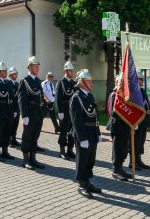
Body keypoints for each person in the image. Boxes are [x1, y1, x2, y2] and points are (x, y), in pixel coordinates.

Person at [69, 69, 102, 199]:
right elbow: (76, 120)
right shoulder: (76, 98)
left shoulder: (89, 96)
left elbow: (95, 117)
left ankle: (87, 182)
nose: (91, 83)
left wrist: (98, 132)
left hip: (92, 132)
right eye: (89, 80)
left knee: (90, 159)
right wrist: (82, 138)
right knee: (82, 160)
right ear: (81, 82)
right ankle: (81, 184)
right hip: (83, 134)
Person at [18, 56, 46, 170]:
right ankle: (25, 159)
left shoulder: (38, 81)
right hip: (29, 113)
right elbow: (22, 99)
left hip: (38, 113)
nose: (37, 68)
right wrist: (24, 115)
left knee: (35, 136)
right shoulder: (24, 81)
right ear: (30, 67)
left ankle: (33, 158)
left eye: (38, 66)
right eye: (35, 66)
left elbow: (41, 97)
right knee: (27, 136)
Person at [107, 75, 132, 181]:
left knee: (124, 149)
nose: (122, 86)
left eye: (123, 84)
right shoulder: (114, 95)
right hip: (117, 126)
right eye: (120, 84)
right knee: (117, 150)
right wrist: (124, 115)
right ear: (117, 84)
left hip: (125, 126)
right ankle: (116, 171)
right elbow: (112, 112)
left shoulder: (126, 96)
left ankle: (121, 168)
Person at [0, 62, 16, 161]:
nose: (5, 72)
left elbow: (13, 98)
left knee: (7, 132)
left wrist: (14, 110)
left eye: (6, 70)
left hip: (9, 111)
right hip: (0, 112)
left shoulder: (9, 83)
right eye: (3, 71)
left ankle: (5, 151)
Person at [130, 71, 150, 170]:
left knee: (141, 142)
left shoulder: (141, 90)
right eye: (140, 79)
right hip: (137, 121)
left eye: (142, 79)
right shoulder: (134, 91)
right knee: (136, 141)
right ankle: (132, 162)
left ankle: (139, 159)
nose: (142, 80)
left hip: (144, 120)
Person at [56, 61, 77, 160]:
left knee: (72, 131)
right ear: (66, 71)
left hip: (72, 111)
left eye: (73, 71)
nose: (72, 72)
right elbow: (58, 98)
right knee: (63, 131)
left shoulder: (73, 83)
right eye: (70, 71)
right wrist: (60, 111)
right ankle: (62, 151)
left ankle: (70, 150)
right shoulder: (61, 82)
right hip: (64, 110)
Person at [8, 67, 21, 147]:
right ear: (10, 75)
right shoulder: (8, 84)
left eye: (16, 74)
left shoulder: (17, 84)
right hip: (10, 108)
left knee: (15, 124)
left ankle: (14, 138)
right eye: (14, 74)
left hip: (17, 107)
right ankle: (9, 140)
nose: (16, 75)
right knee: (10, 124)